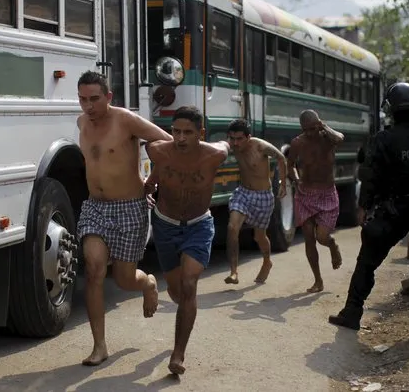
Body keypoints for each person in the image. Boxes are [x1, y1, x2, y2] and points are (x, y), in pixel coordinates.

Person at [329, 82, 409, 331]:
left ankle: (352, 313)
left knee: (367, 263)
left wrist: (364, 207)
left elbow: (370, 176)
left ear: (391, 110)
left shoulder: (383, 139)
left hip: (392, 208)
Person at [75, 71, 173, 366]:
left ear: (108, 97)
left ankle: (148, 284)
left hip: (129, 207)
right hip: (95, 208)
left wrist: (153, 179)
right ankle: (100, 346)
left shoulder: (125, 119)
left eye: (94, 99)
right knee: (93, 269)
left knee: (124, 278)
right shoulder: (81, 123)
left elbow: (166, 142)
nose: (88, 106)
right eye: (82, 99)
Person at [144, 106, 229, 375]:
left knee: (190, 285)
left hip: (198, 225)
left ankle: (178, 354)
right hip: (165, 225)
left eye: (188, 133)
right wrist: (149, 184)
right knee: (177, 291)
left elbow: (229, 142)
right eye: (176, 132)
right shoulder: (158, 150)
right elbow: (159, 165)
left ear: (201, 134)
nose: (180, 138)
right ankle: (162, 293)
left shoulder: (215, 154)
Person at [223, 119, 287, 285]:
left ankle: (267, 261)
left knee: (259, 236)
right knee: (232, 227)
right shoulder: (231, 146)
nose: (235, 143)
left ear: (248, 137)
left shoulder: (260, 146)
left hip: (263, 196)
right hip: (243, 193)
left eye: (239, 139)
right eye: (232, 138)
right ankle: (234, 272)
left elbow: (281, 158)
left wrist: (283, 185)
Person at [287, 109, 344, 293]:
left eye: (314, 128)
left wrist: (324, 127)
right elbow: (290, 166)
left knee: (322, 237)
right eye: (307, 130)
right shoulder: (298, 143)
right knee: (309, 238)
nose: (310, 133)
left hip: (327, 193)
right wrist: (296, 180)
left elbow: (340, 138)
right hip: (305, 194)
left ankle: (332, 245)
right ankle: (318, 280)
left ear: (319, 124)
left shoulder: (328, 138)